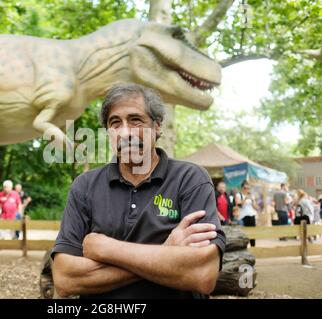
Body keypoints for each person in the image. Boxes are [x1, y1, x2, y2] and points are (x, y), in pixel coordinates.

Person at [52, 83, 225, 299]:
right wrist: (167, 250)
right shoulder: (85, 186)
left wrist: (106, 249)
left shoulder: (190, 179)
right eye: (115, 123)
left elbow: (202, 275)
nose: (125, 132)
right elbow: (64, 279)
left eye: (136, 120)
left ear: (157, 126)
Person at [235, 180, 258, 247]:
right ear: (242, 188)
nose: (247, 189)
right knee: (245, 235)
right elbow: (239, 205)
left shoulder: (251, 195)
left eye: (248, 188)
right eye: (245, 188)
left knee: (253, 234)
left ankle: (253, 248)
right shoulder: (238, 195)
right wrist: (245, 198)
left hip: (252, 216)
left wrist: (253, 200)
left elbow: (255, 207)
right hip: (243, 217)